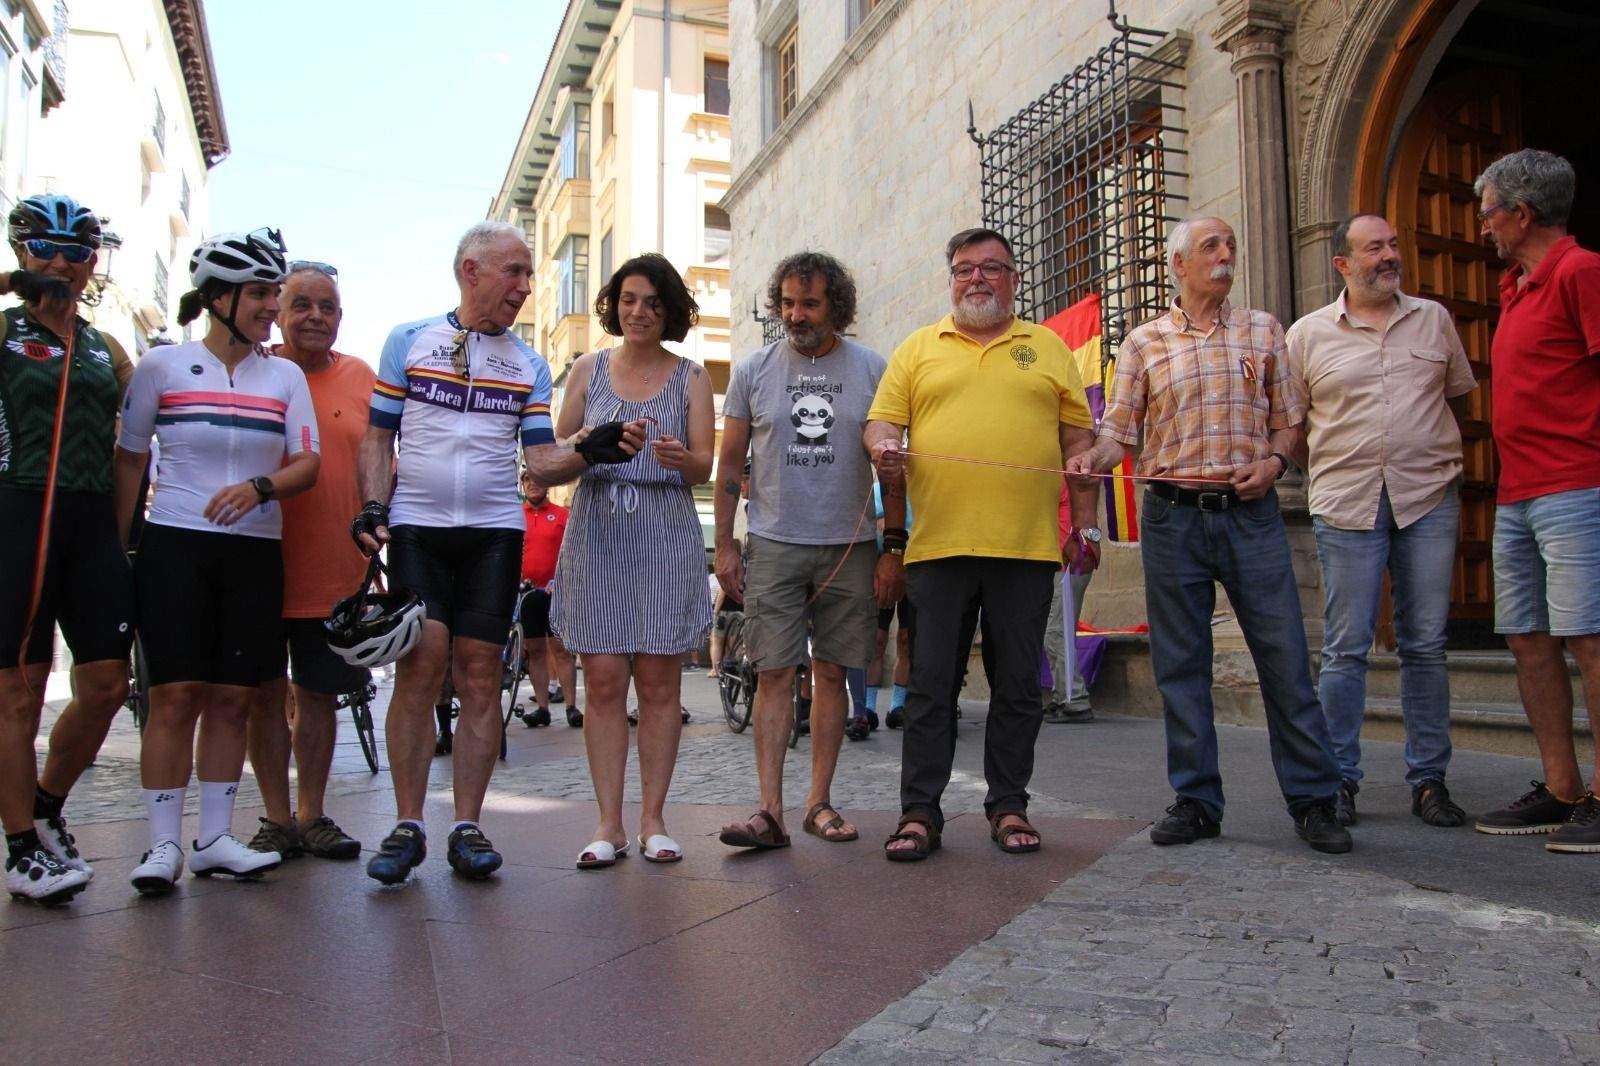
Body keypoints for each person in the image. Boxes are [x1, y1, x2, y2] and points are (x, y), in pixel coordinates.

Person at [352, 221, 643, 885]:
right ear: (470, 270)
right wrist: (372, 508)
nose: (525, 286)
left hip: (492, 531)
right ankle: (407, 824)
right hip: (419, 526)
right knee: (422, 662)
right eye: (514, 271)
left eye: (528, 273)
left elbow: (542, 458)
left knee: (480, 669)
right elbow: (376, 440)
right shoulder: (409, 341)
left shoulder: (529, 364)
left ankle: (467, 824)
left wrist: (591, 448)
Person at [1067, 215, 1350, 855]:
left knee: (1283, 659)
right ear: (1178, 265)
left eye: (1230, 244)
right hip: (1172, 518)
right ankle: (1197, 801)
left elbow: (1289, 425)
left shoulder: (1263, 330)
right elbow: (1120, 433)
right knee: (1181, 665)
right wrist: (1093, 460)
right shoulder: (1143, 343)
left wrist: (1275, 464)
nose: (1226, 255)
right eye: (1211, 247)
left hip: (1250, 517)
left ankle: (1314, 801)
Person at [865, 227, 1099, 861]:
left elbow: (1079, 444)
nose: (977, 278)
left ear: (1013, 280)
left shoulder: (1048, 349)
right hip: (937, 549)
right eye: (965, 268)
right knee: (931, 684)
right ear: (951, 279)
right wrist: (884, 449)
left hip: (1026, 549)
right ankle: (919, 812)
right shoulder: (918, 348)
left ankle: (1009, 805)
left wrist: (1088, 525)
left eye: (991, 268)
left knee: (1018, 684)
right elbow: (883, 421)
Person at [114, 229, 321, 892]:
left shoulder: (284, 374)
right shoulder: (162, 368)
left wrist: (260, 487)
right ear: (219, 297)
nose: (272, 306)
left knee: (235, 700)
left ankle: (215, 839)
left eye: (274, 292)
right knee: (173, 695)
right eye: (261, 293)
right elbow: (129, 459)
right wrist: (119, 550)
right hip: (175, 541)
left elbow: (308, 462)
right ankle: (162, 845)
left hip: (255, 549)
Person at [1286, 214, 1475, 828]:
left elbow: (1457, 395)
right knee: (1345, 648)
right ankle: (1337, 780)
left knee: (1425, 645)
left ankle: (1429, 781)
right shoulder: (1307, 335)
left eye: (1393, 245)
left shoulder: (1434, 319)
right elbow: (1293, 425)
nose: (1389, 256)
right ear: (1342, 263)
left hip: (1427, 498)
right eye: (1374, 249)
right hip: (1346, 501)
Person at [714, 252, 885, 850]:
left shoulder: (872, 367)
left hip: (850, 544)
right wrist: (725, 547)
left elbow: (891, 453)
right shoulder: (753, 369)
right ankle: (770, 812)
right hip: (774, 543)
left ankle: (819, 804)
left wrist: (895, 546)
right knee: (774, 673)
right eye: (787, 303)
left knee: (835, 672)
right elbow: (730, 464)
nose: (796, 314)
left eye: (809, 303)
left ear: (835, 305)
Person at [552, 253, 713, 869]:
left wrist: (679, 459)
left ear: (668, 309)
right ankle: (607, 823)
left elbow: (706, 462)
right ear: (614, 305)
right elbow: (553, 449)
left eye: (651, 301)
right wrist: (591, 445)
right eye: (627, 299)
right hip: (599, 528)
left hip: (664, 526)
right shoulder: (587, 369)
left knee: (659, 682)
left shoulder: (692, 376)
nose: (638, 311)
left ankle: (653, 820)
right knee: (605, 679)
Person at [0, 194, 133, 904]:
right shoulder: (4, 329)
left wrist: (122, 537)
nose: (59, 264)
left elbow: (133, 443)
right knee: (17, 692)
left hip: (91, 525)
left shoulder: (104, 347)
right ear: (22, 252)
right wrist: (11, 289)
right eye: (43, 250)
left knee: (109, 684)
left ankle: (47, 805)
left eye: (75, 253)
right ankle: (20, 849)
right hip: (17, 510)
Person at [1469, 149, 1600, 851]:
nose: (1482, 227)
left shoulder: (1582, 272)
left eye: (1488, 212)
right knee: (1527, 637)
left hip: (1578, 486)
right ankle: (1560, 786)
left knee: (1590, 638)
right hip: (1518, 494)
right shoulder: (1514, 288)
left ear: (1521, 214)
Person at [245, 262, 374, 861]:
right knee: (263, 695)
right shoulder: (253, 373)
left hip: (335, 571)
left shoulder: (361, 378)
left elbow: (382, 458)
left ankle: (312, 814)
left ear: (340, 318)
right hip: (259, 564)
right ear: (279, 309)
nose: (315, 316)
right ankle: (276, 819)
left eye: (326, 307)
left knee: (320, 697)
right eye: (301, 305)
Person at [517, 466, 577, 728]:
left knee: (562, 650)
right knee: (536, 650)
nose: (533, 484)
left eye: (538, 479)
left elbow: (572, 554)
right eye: (527, 479)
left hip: (556, 591)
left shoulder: (563, 515)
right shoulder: (516, 516)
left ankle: (572, 707)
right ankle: (542, 708)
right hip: (527, 594)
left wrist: (562, 581)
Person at [1043, 480, 1095, 724]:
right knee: (1059, 628)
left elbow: (1064, 520)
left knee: (1056, 631)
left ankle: (1074, 697)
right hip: (1069, 560)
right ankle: (1061, 693)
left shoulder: (1060, 476)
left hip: (1066, 561)